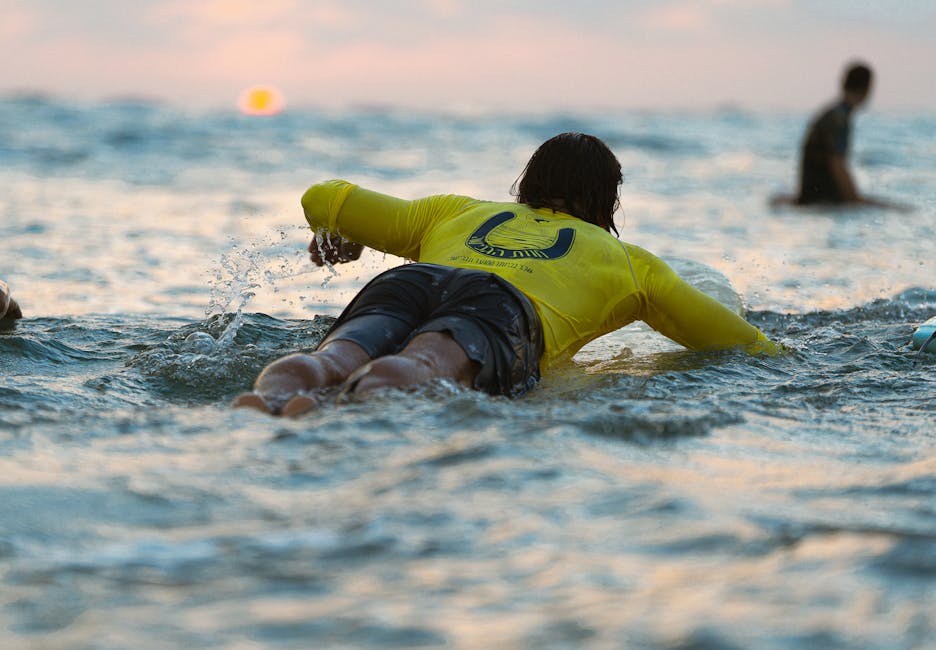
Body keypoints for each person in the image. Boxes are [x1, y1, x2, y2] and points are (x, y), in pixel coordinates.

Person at [234, 133, 778, 416]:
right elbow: (740, 344)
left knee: (332, 359)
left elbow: (323, 196)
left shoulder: (453, 210)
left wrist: (338, 229)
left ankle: (274, 401)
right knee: (421, 365)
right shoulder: (632, 264)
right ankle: (357, 401)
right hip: (498, 306)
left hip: (414, 280)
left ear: (528, 181)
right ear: (608, 203)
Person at [794, 61, 904, 209]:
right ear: (866, 89)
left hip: (811, 196)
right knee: (897, 209)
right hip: (821, 199)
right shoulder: (839, 118)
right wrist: (855, 201)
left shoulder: (832, 113)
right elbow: (836, 163)